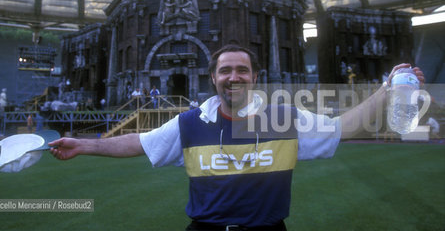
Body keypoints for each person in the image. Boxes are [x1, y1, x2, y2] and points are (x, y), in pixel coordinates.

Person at [50, 44, 425, 230]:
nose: (234, 77)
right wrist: (84, 144)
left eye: (242, 70)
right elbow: (138, 142)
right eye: (225, 71)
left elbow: (343, 126)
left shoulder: (285, 119)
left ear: (254, 77)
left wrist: (386, 90)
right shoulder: (190, 122)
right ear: (213, 78)